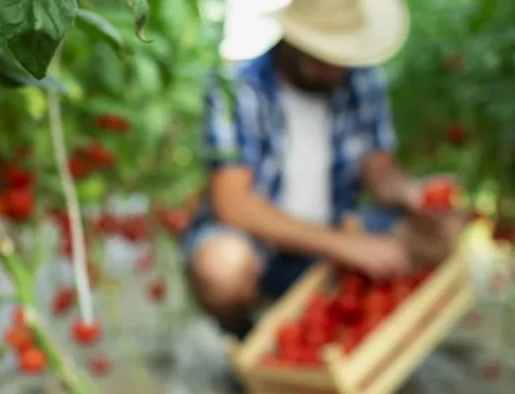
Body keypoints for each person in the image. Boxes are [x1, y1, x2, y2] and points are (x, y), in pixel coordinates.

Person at [183, 0, 464, 341]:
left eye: (341, 57)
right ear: (291, 41)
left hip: (334, 238)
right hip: (263, 250)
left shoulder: (361, 83)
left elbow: (379, 171)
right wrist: (344, 246)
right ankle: (250, 336)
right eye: (320, 56)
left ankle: (351, 326)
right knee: (221, 266)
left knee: (445, 229)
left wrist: (411, 193)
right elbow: (233, 203)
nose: (333, 68)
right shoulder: (235, 89)